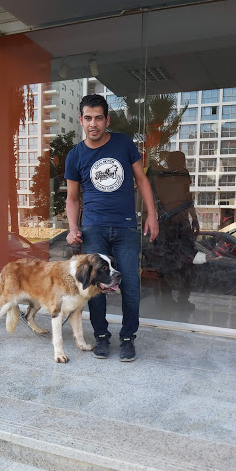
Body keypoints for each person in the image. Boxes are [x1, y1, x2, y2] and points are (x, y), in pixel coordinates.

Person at [65, 94, 159, 362]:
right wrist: (73, 228)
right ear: (81, 120)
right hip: (93, 228)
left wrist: (151, 215)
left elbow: (141, 179)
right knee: (94, 286)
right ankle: (102, 337)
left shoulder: (123, 144)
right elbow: (72, 198)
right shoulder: (75, 155)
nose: (93, 124)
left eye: (98, 118)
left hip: (126, 227)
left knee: (130, 285)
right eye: (88, 118)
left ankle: (128, 338)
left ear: (107, 119)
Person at [143, 151, 200, 311]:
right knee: (163, 264)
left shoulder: (181, 174)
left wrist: (194, 218)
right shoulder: (160, 176)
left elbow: (187, 198)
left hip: (180, 224)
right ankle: (166, 299)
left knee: (187, 262)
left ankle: (181, 299)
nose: (178, 164)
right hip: (165, 224)